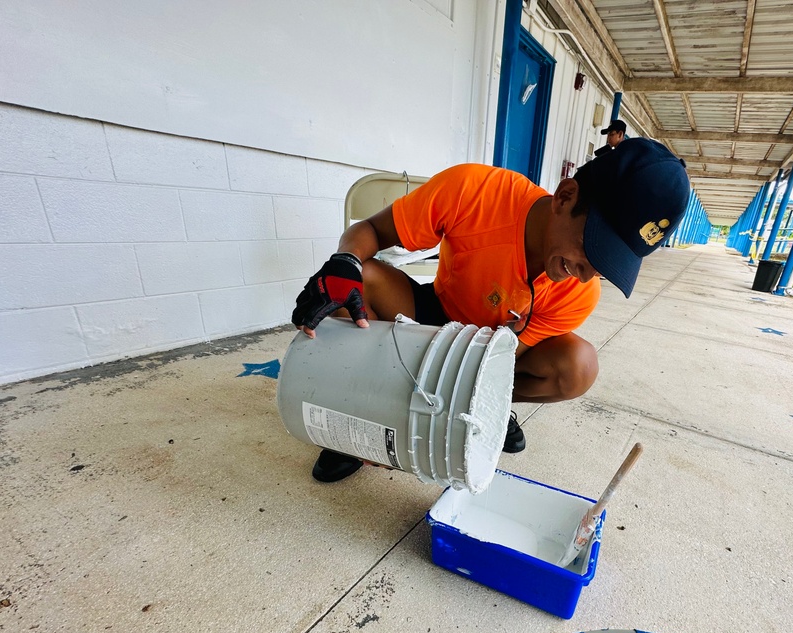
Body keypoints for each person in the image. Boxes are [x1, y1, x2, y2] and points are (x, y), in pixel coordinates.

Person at [291, 137, 690, 482]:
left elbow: (500, 359)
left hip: (488, 348)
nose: (586, 274)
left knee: (579, 365)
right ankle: (355, 414)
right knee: (357, 279)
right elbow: (371, 231)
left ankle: (488, 412)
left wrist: (470, 401)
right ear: (566, 197)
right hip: (433, 314)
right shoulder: (474, 191)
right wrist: (344, 262)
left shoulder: (578, 294)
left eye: (607, 265)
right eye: (594, 246)